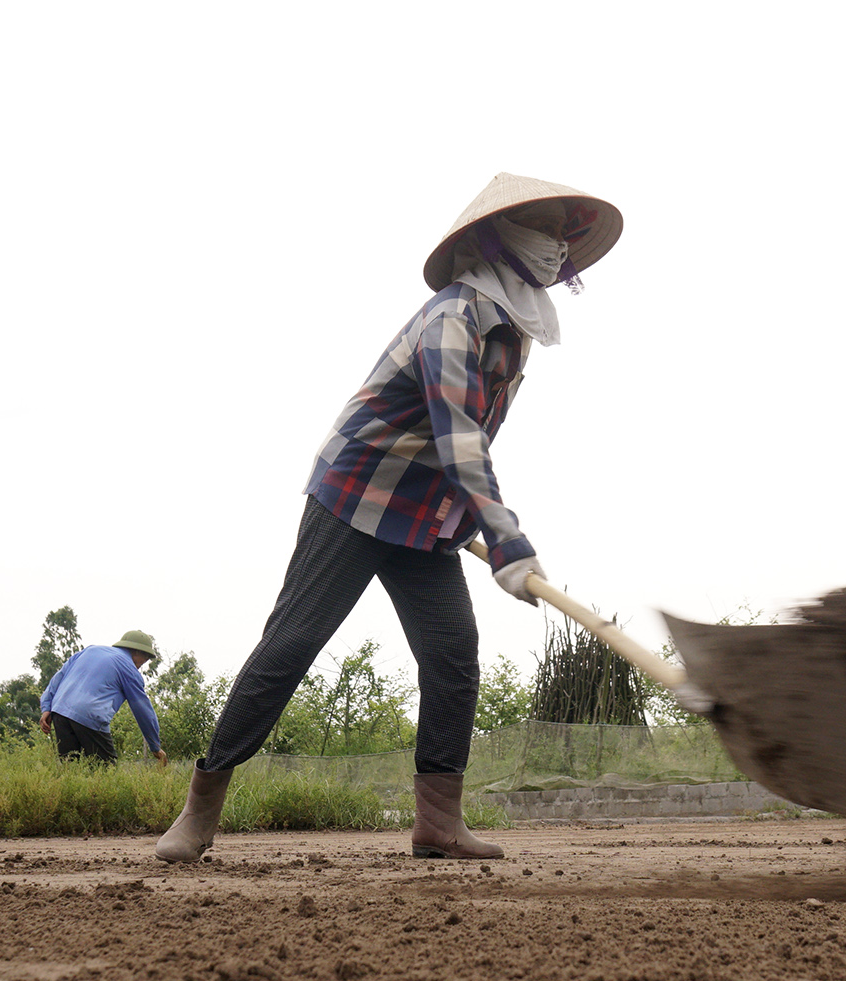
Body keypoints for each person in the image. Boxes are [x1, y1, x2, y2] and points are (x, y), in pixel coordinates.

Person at [156, 172, 622, 864]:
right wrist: (508, 536)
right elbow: (459, 436)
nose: (559, 245)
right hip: (356, 494)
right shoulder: (451, 319)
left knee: (453, 657)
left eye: (565, 233)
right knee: (290, 647)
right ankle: (201, 806)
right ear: (500, 240)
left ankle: (438, 820)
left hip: (424, 513)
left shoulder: (511, 337)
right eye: (547, 230)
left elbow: (469, 447)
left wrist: (474, 525)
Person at [38, 630, 168, 765]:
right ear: (137, 651)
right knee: (106, 771)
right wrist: (155, 746)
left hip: (60, 712)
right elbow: (143, 710)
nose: (143, 664)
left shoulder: (89, 651)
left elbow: (57, 679)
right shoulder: (129, 669)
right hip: (90, 715)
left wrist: (46, 707)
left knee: (71, 769)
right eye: (145, 658)